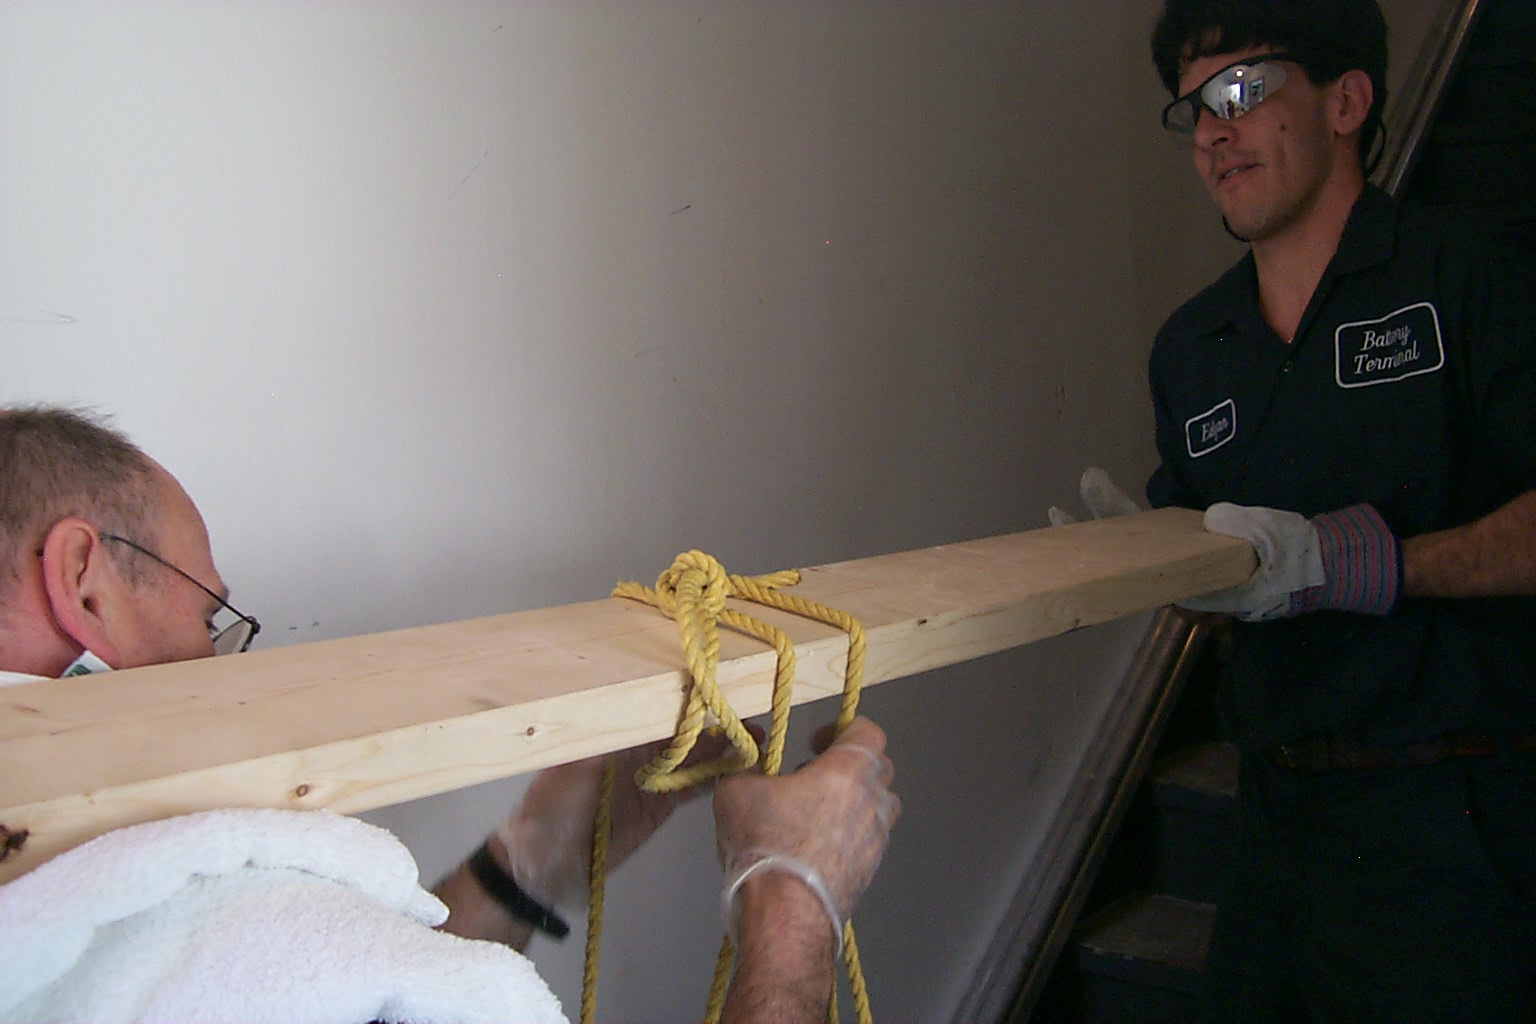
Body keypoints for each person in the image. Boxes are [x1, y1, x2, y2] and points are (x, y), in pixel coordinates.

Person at [0, 404, 900, 1024]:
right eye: (209, 617)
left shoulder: (93, 914)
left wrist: (535, 858)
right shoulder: (187, 928)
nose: (215, 658)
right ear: (86, 582)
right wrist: (795, 900)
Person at [1141, 1, 1536, 1020]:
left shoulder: (1468, 275)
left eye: (1242, 90)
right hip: (1274, 821)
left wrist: (1372, 564)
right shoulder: (1192, 347)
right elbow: (1211, 573)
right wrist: (1150, 567)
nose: (1213, 131)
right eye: (1194, 109)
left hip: (1452, 816)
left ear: (1347, 101)